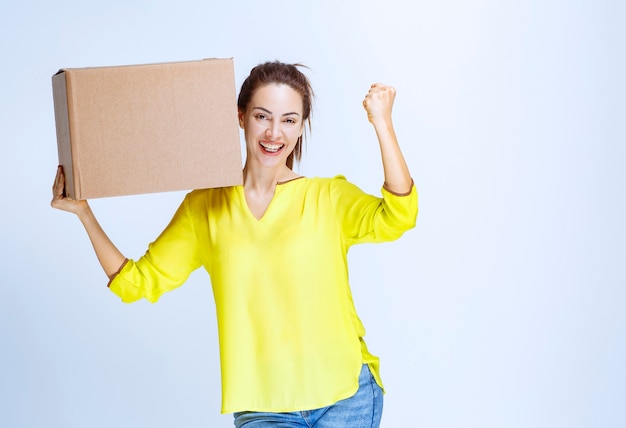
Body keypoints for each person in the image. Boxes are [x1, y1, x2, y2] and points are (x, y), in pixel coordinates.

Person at [51, 61, 417, 428]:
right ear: (241, 117)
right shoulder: (205, 208)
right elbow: (137, 283)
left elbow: (398, 215)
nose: (275, 132)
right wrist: (84, 213)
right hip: (262, 408)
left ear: (302, 125)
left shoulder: (328, 197)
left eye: (289, 120)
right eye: (263, 116)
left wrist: (382, 123)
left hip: (345, 394)